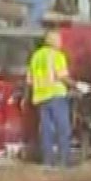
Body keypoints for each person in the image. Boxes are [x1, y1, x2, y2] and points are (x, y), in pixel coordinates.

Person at [27, 30, 74, 167]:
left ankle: (48, 161)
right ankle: (63, 160)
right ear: (51, 41)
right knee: (63, 128)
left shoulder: (36, 56)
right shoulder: (57, 55)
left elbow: (29, 80)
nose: (61, 42)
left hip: (41, 96)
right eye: (58, 39)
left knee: (46, 130)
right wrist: (77, 85)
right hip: (56, 95)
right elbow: (62, 76)